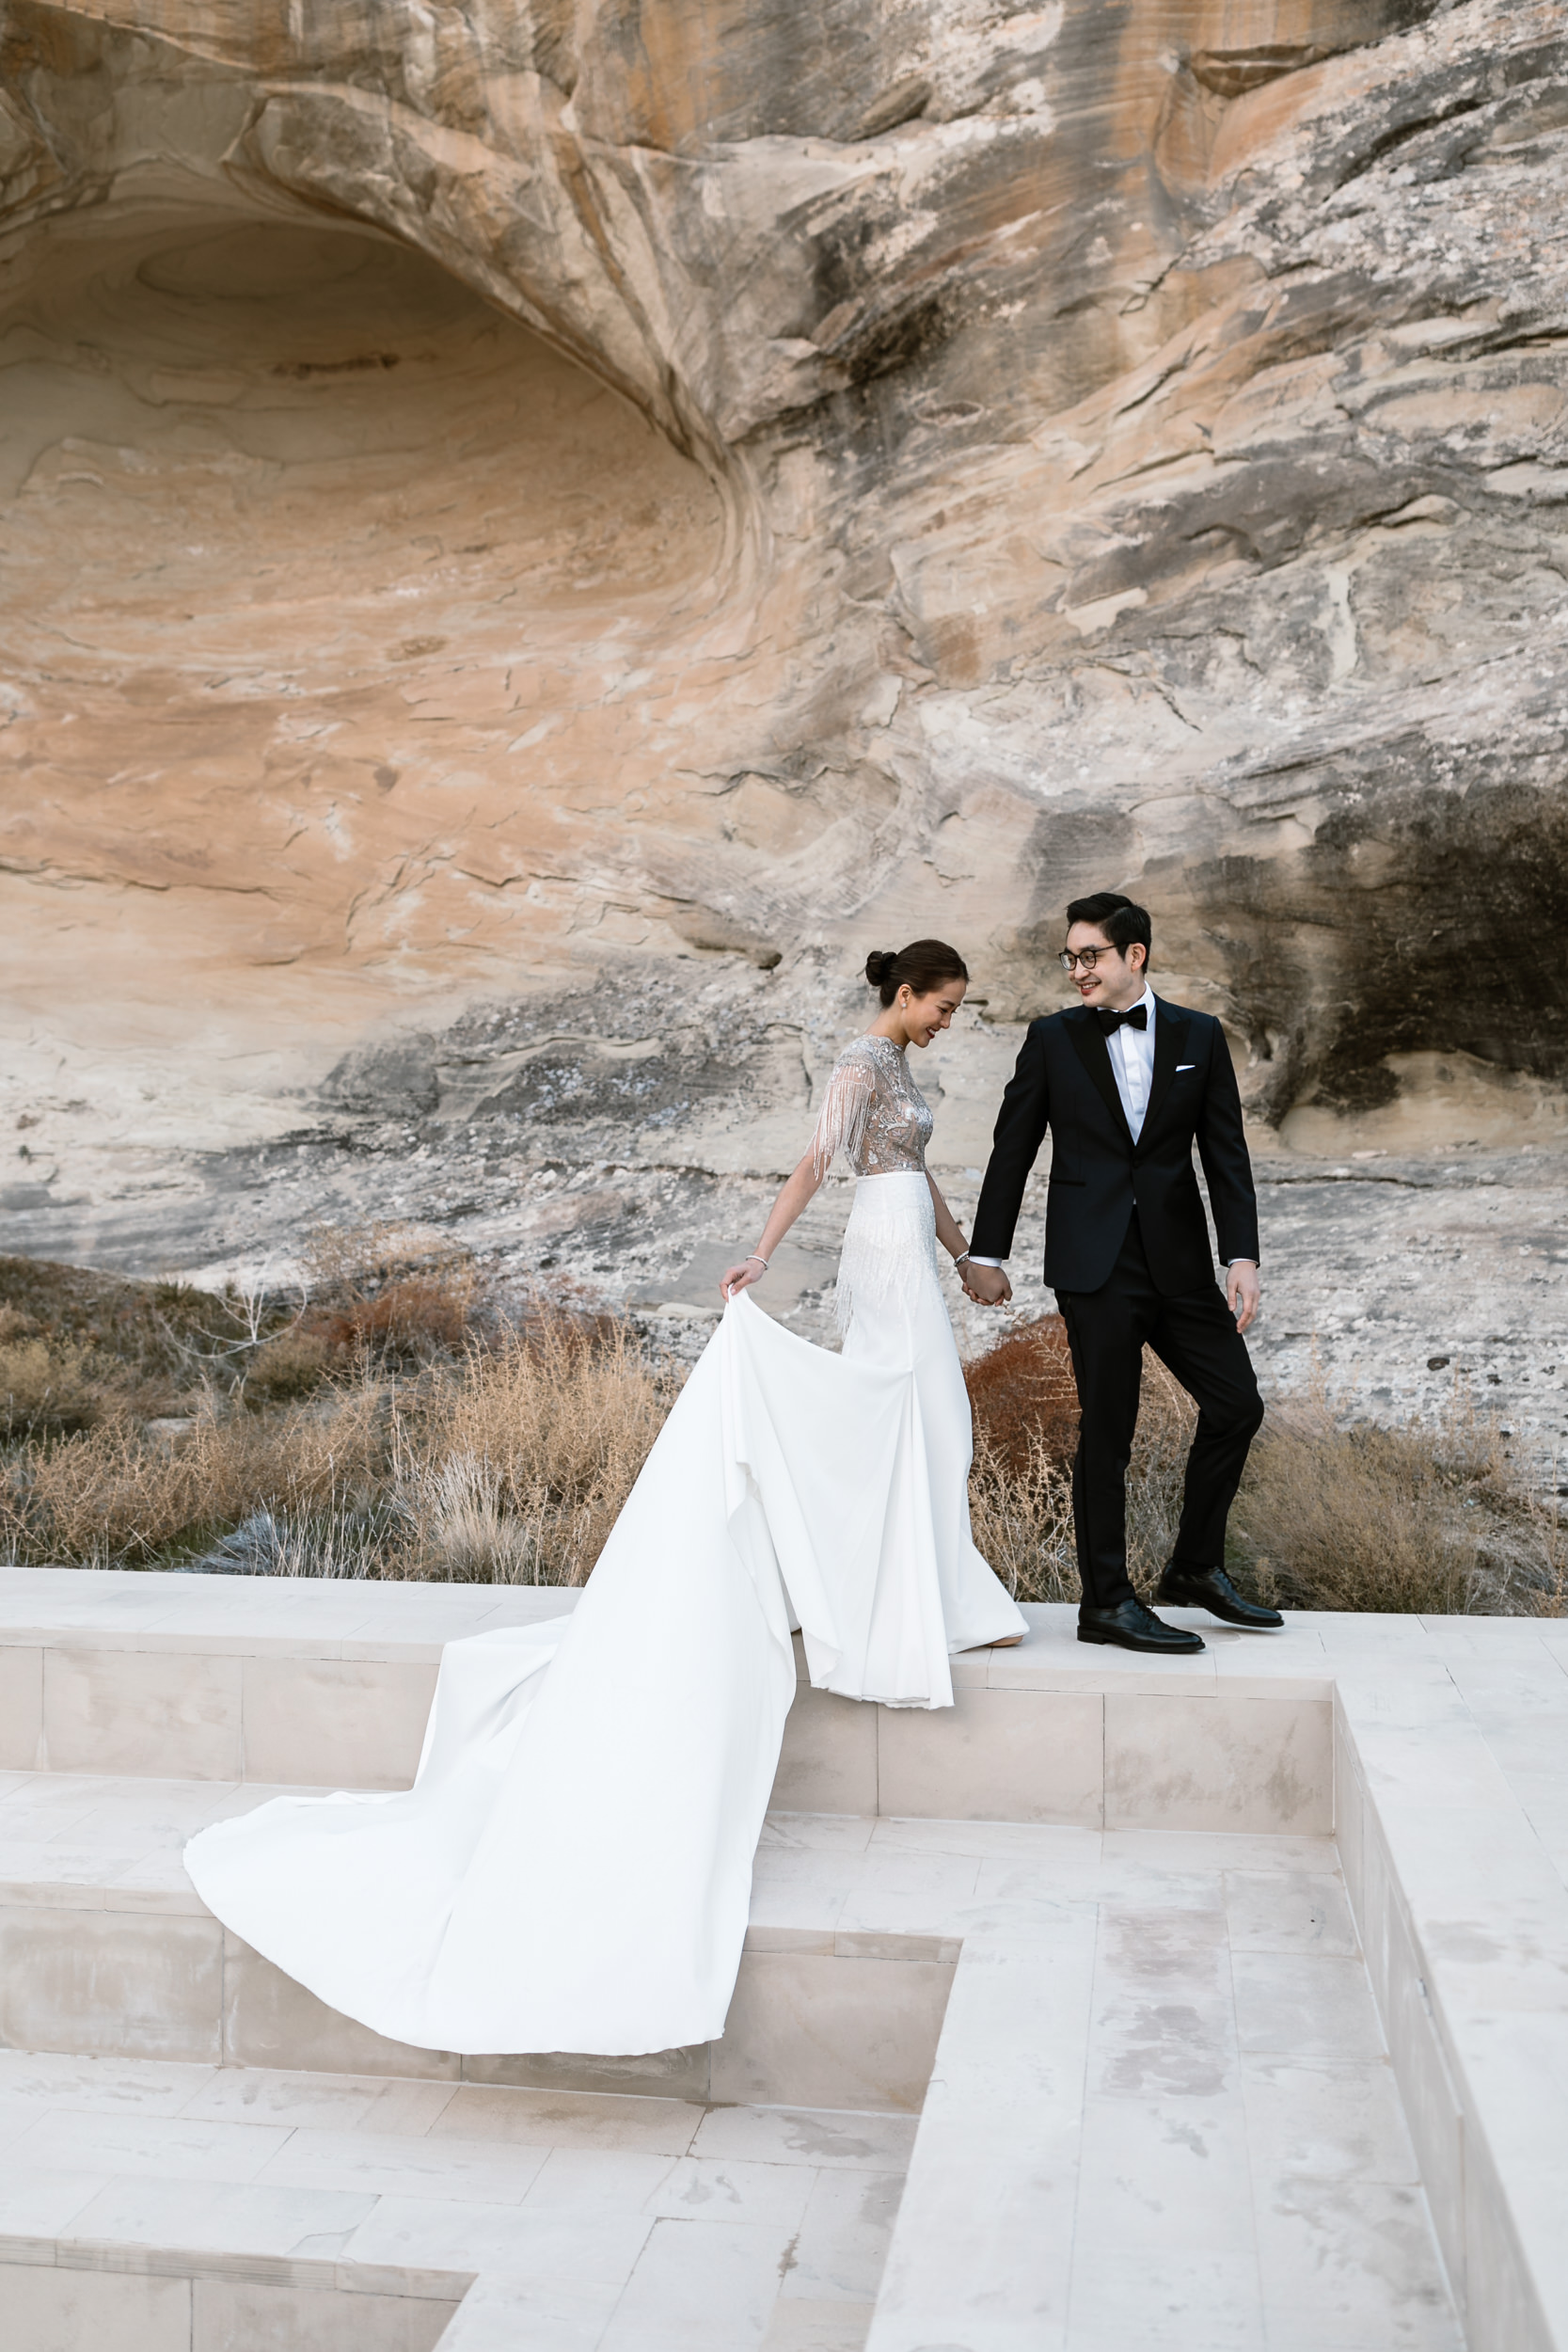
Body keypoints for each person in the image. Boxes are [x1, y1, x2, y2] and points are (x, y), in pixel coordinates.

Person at [185, 938, 1022, 2060]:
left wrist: (966, 1256)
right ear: (905, 994)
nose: (949, 1022)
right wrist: (759, 1258)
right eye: (944, 1006)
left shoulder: (905, 1072)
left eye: (957, 1010)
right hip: (876, 1250)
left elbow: (917, 1176)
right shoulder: (857, 1060)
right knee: (910, 1410)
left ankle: (922, 1581)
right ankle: (897, 1587)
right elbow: (816, 1165)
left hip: (910, 1241)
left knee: (930, 1419)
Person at [963, 891, 1280, 1654]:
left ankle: (1196, 1567)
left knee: (1236, 1405)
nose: (1077, 970)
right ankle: (1104, 1603)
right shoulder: (1051, 1039)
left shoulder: (1199, 1036)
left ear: (1133, 955)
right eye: (1070, 957)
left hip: (1177, 1262)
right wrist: (986, 1251)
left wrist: (1240, 1256)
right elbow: (1014, 1148)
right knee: (1108, 1434)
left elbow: (1224, 1153)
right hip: (1094, 1266)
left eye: (1090, 956)